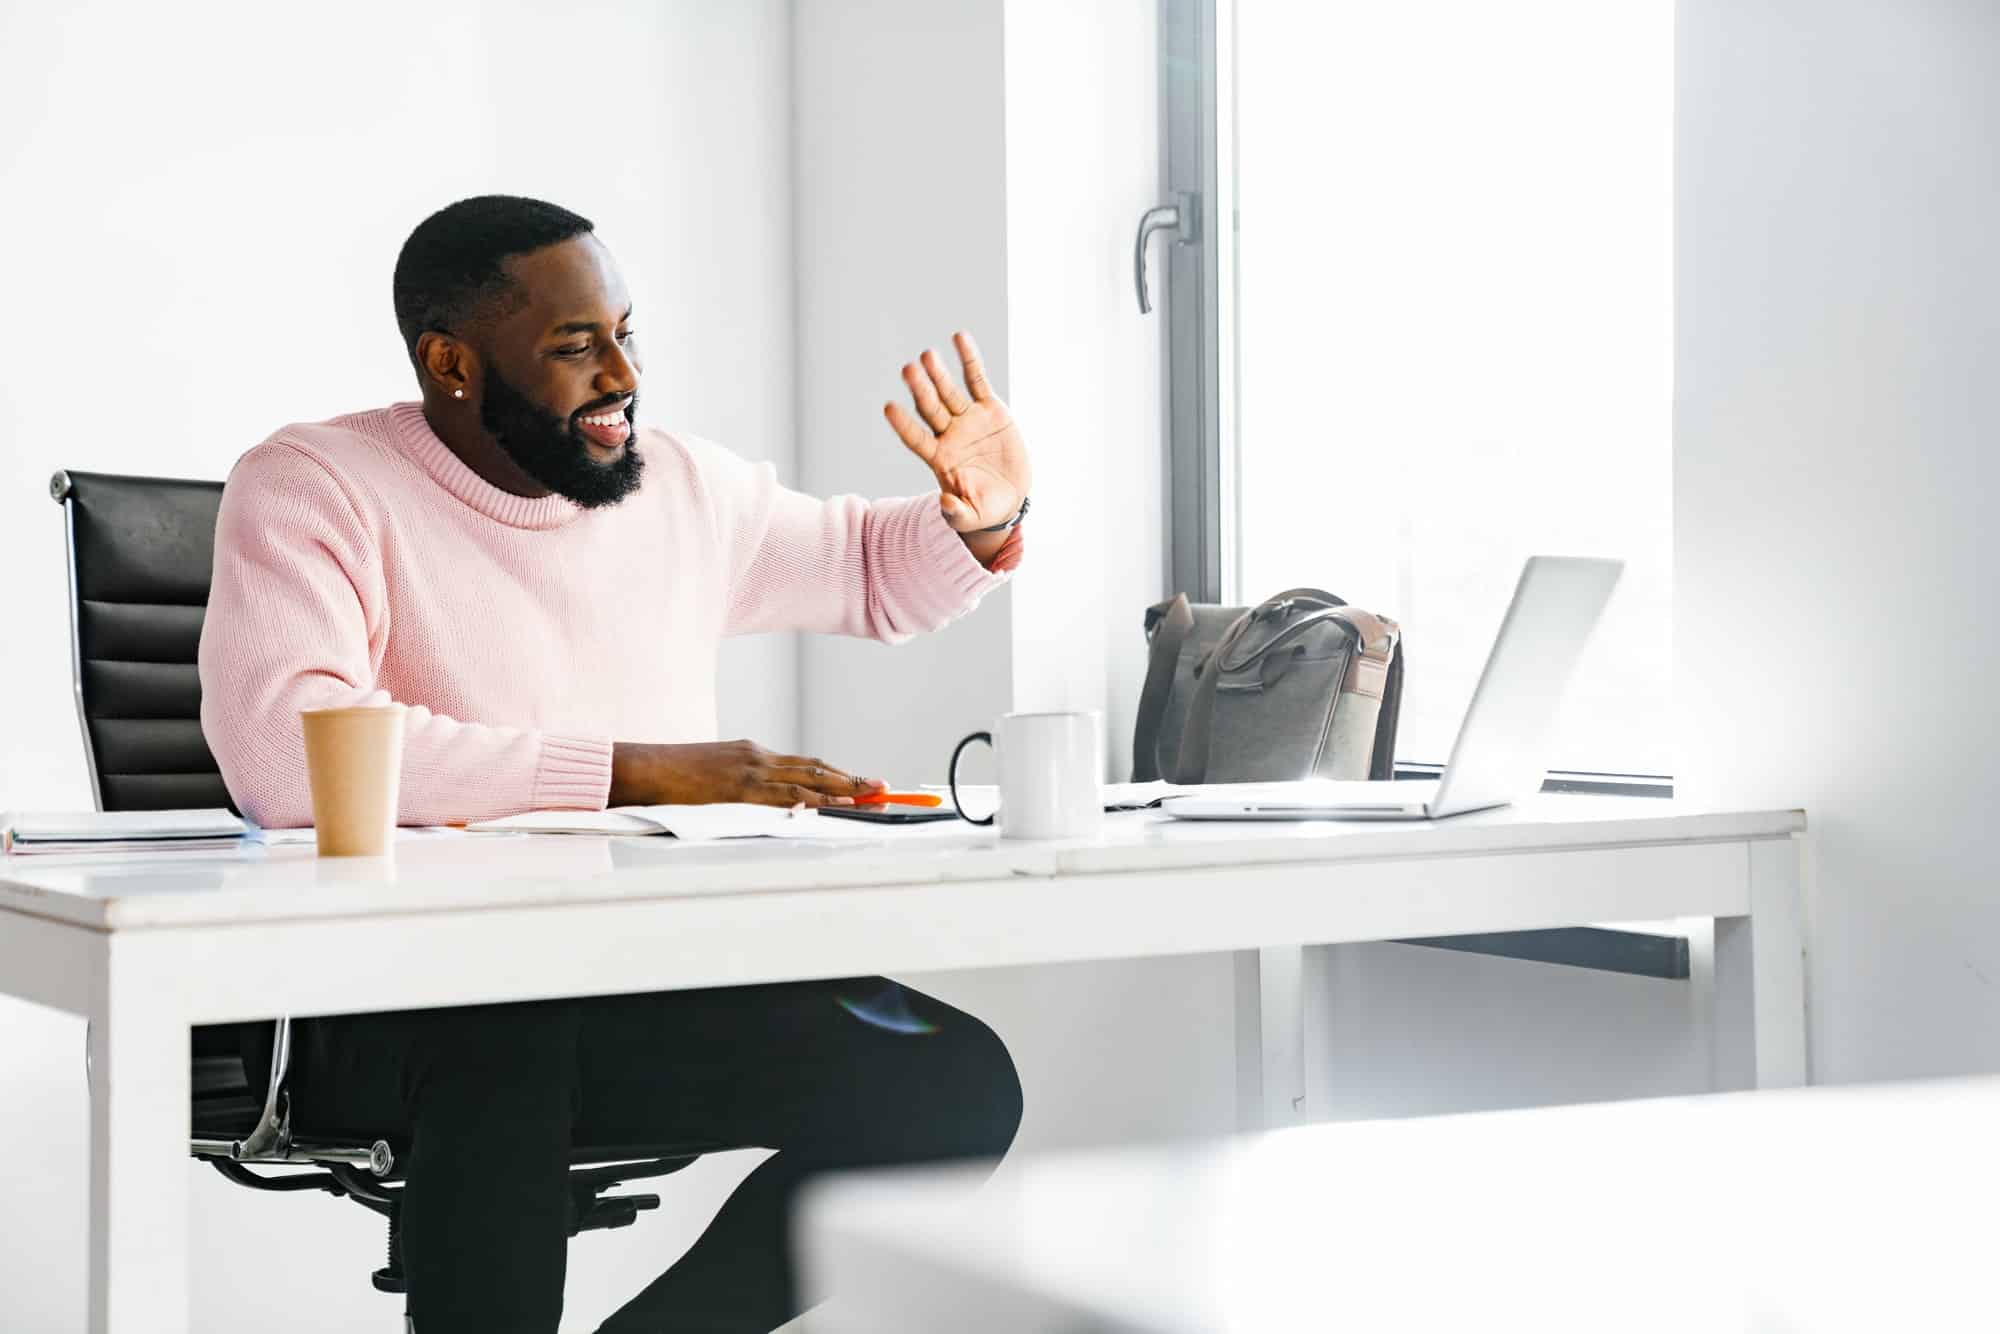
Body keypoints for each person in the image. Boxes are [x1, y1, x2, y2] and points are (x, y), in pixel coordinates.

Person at [197, 194, 1030, 1333]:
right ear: (451, 362)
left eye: (627, 333)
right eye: (575, 345)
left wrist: (981, 516)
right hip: (389, 1006)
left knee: (950, 1076)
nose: (621, 373)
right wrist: (634, 769)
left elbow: (873, 569)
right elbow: (285, 757)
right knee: (506, 1023)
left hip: (633, 982)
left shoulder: (678, 486)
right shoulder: (312, 483)